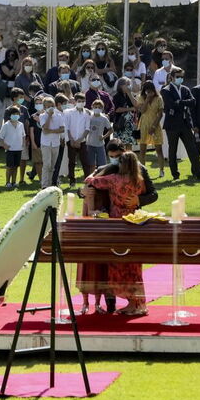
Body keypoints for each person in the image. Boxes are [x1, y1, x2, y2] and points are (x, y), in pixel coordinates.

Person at [84, 151, 148, 316]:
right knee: (134, 266)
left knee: (119, 264)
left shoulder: (114, 180)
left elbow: (92, 181)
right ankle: (136, 303)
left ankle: (132, 302)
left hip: (118, 224)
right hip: (133, 224)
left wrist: (93, 173)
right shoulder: (139, 181)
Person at [161, 67, 200, 180]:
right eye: (177, 77)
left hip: (185, 124)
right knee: (172, 150)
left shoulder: (185, 89)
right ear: (172, 77)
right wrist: (183, 104)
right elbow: (171, 105)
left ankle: (199, 172)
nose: (180, 79)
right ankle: (175, 174)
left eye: (181, 77)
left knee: (192, 149)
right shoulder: (166, 90)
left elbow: (193, 102)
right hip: (172, 125)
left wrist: (180, 102)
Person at [136, 80, 165, 178]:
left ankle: (161, 170)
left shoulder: (159, 98)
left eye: (150, 90)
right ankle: (142, 171)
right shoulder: (141, 98)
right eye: (146, 91)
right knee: (142, 149)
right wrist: (147, 99)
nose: (149, 92)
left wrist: (153, 126)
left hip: (155, 124)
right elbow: (142, 111)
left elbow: (160, 114)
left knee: (158, 149)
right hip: (143, 124)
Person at [37, 96, 65, 188]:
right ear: (44, 107)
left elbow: (62, 129)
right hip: (46, 143)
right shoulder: (42, 116)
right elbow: (45, 128)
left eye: (51, 105)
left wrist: (51, 131)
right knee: (47, 164)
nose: (50, 108)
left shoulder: (59, 116)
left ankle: (50, 184)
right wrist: (49, 115)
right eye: (48, 106)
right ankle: (44, 185)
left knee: (52, 166)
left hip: (55, 143)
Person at [63, 93, 91, 186]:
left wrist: (79, 140)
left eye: (83, 101)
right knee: (71, 161)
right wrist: (71, 140)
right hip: (71, 140)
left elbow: (87, 128)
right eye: (79, 101)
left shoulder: (87, 113)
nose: (81, 103)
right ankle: (72, 180)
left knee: (85, 161)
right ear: (75, 102)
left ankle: (87, 180)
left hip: (82, 141)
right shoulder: (68, 112)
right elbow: (67, 127)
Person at [0, 105, 25, 189]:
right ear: (10, 115)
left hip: (18, 149)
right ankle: (7, 182)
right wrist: (5, 146)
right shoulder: (6, 125)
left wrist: (23, 144)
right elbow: (0, 137)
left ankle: (14, 182)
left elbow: (23, 135)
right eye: (14, 114)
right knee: (9, 167)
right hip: (10, 149)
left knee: (16, 166)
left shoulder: (21, 124)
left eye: (17, 114)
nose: (15, 115)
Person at [85, 100, 113, 174]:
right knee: (91, 163)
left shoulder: (104, 118)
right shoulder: (89, 117)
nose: (97, 108)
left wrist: (104, 137)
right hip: (89, 143)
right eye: (95, 107)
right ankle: (92, 178)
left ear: (102, 109)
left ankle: (101, 178)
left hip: (99, 144)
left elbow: (111, 130)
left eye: (99, 107)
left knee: (102, 164)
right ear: (92, 107)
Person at [112, 78, 139, 150]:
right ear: (121, 86)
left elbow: (136, 105)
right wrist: (130, 109)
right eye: (127, 84)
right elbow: (117, 109)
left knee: (129, 143)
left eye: (129, 84)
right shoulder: (116, 96)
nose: (129, 86)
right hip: (120, 124)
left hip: (129, 125)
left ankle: (129, 159)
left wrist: (130, 94)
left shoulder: (129, 95)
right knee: (120, 145)